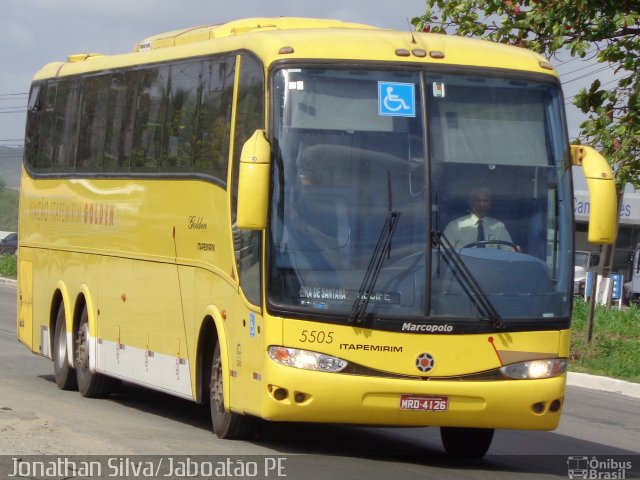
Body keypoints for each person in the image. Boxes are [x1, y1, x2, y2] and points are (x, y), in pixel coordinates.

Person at [442, 187, 514, 249]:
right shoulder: (455, 226)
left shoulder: (498, 226)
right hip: (462, 265)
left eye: (485, 201)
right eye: (478, 201)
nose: (482, 204)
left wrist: (514, 250)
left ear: (490, 203)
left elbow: (509, 251)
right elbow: (444, 252)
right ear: (470, 202)